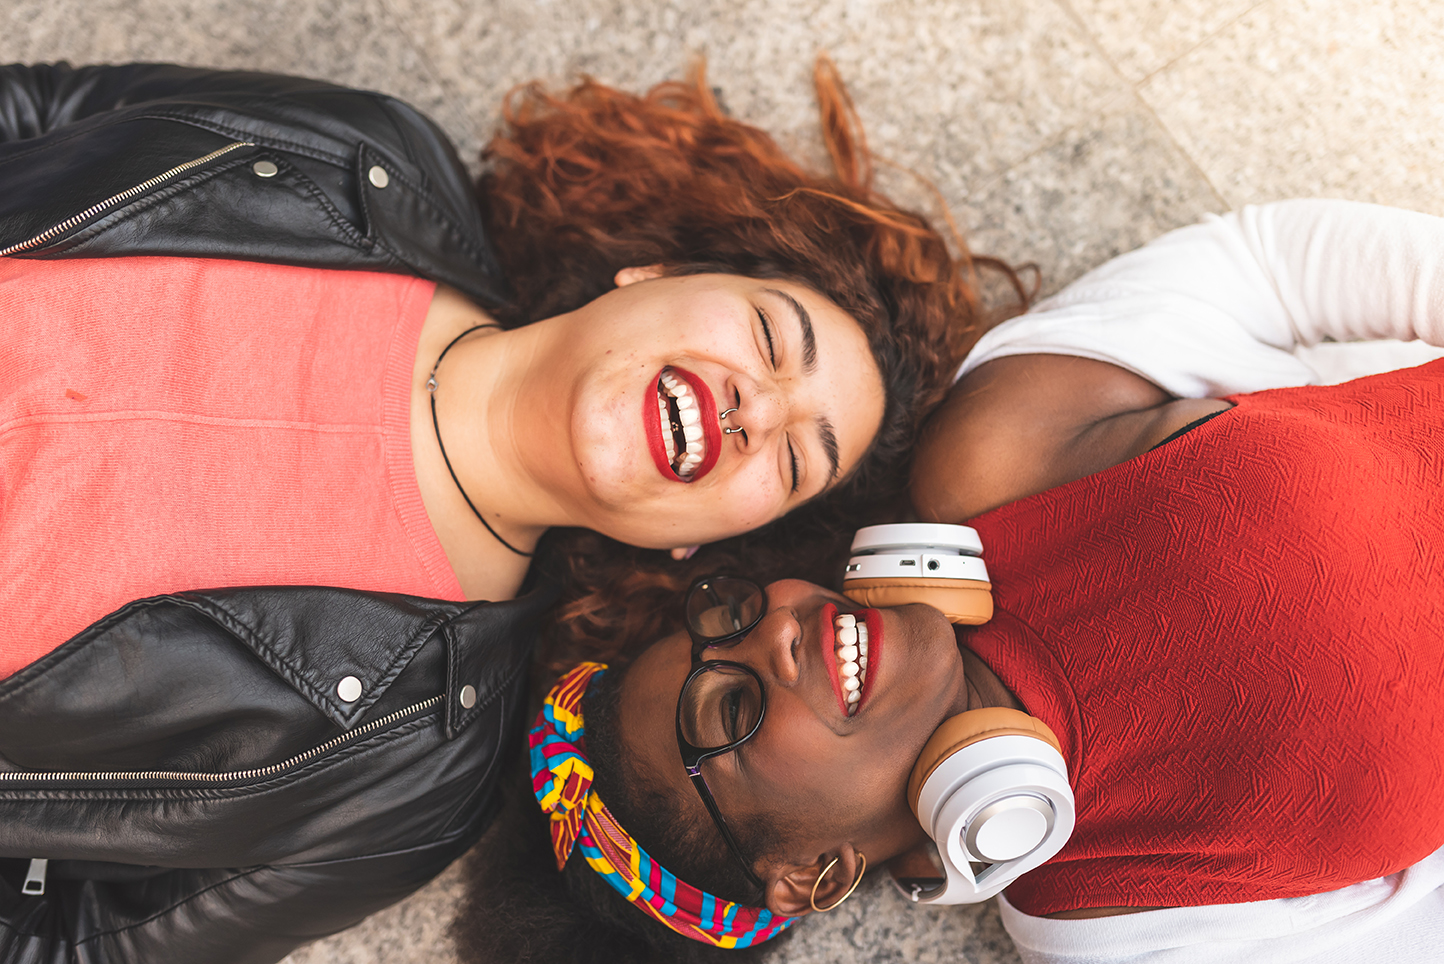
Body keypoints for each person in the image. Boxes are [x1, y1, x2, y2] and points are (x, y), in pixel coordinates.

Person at [0, 59, 1010, 963]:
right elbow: (36, 109)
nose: (758, 406)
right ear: (656, 275)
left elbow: (66, 943)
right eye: (768, 335)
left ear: (703, 540)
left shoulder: (404, 778)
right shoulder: (369, 158)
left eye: (795, 458)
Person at [455, 199, 1444, 964]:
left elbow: (1267, 267)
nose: (774, 630)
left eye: (726, 616)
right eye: (733, 708)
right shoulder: (1121, 925)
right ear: (808, 873)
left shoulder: (994, 459)